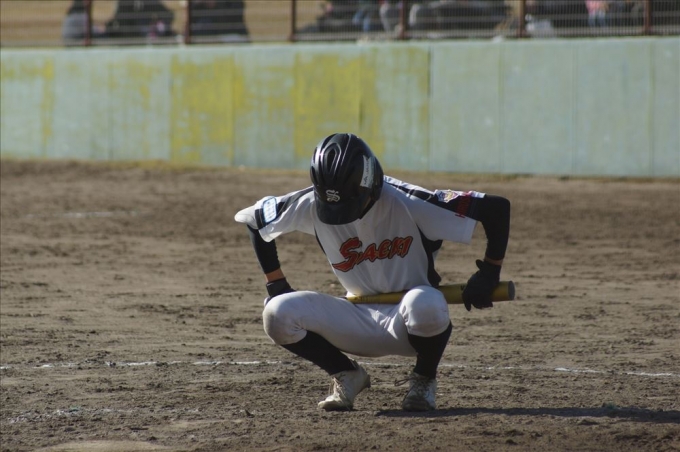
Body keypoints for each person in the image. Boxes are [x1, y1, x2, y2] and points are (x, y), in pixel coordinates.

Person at [234, 133, 511, 411]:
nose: (339, 213)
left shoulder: (410, 201)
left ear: (372, 184)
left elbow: (496, 208)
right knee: (277, 313)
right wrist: (276, 285)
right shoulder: (311, 202)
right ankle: (347, 374)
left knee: (425, 302)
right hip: (353, 317)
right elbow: (255, 219)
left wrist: (489, 271)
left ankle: (424, 380)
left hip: (411, 323)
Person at [104, 0, 176, 39]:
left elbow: (168, 16)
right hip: (128, 38)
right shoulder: (124, 3)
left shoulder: (150, 2)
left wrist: (156, 23)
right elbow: (118, 20)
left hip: (145, 39)